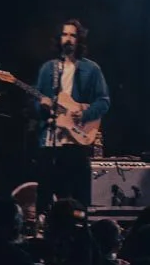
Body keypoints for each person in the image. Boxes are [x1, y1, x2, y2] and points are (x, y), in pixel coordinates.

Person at [33, 20, 110, 210]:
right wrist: (42, 107)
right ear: (59, 39)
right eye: (64, 34)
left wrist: (83, 114)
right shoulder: (48, 69)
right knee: (45, 192)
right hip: (50, 140)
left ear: (79, 40)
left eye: (72, 35)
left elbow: (103, 101)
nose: (68, 39)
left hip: (76, 140)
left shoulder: (91, 69)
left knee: (75, 195)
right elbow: (36, 103)